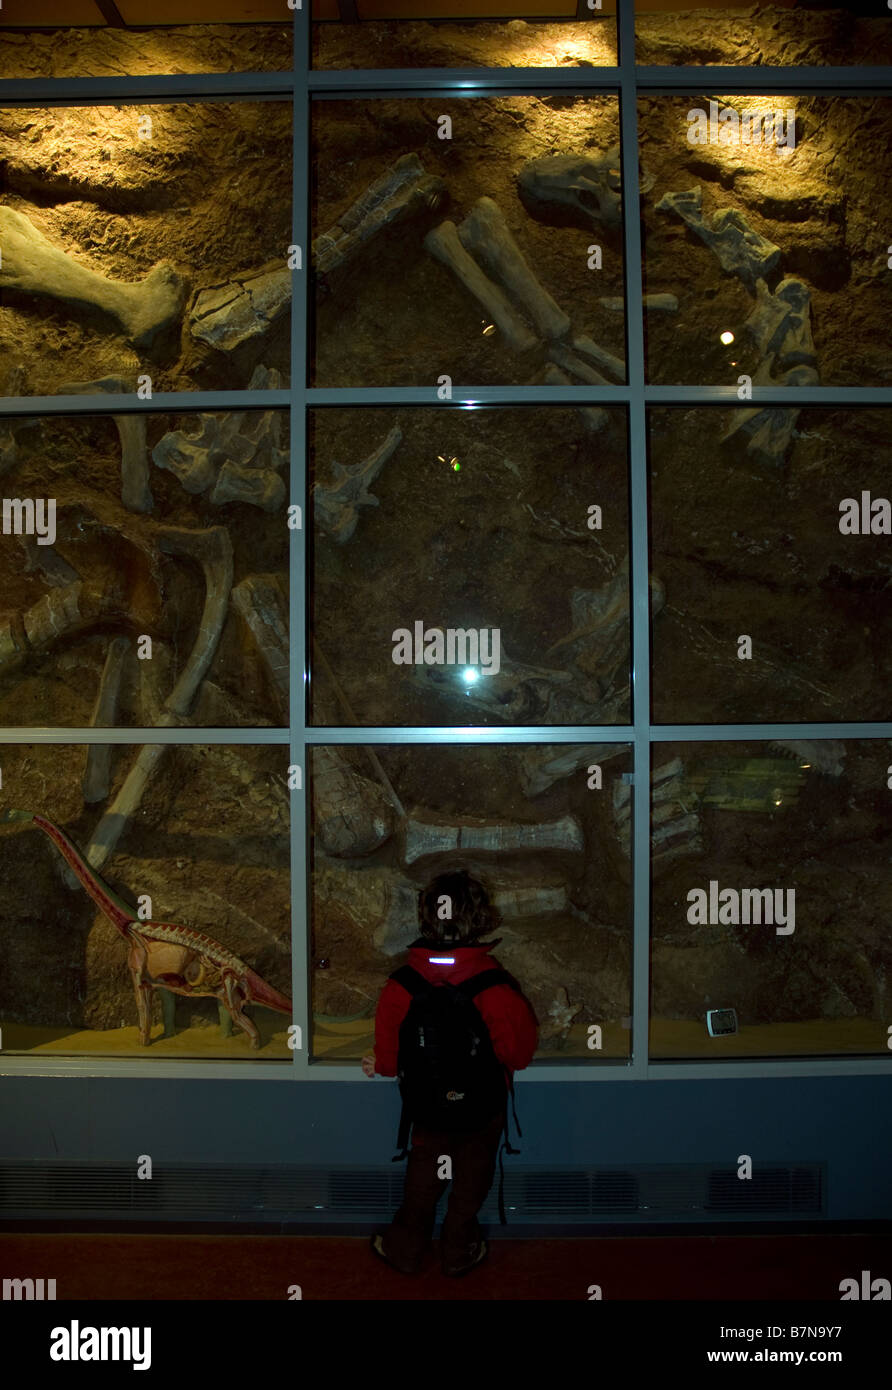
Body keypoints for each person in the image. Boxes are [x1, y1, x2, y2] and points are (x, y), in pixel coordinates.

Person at [363, 867, 538, 1277]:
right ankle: (458, 1253)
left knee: (423, 1180)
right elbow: (519, 1054)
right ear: (479, 920)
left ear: (425, 918)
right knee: (471, 1183)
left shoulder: (399, 986)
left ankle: (404, 1250)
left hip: (429, 1111)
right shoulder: (495, 986)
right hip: (481, 1112)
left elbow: (388, 1062)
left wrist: (379, 1063)